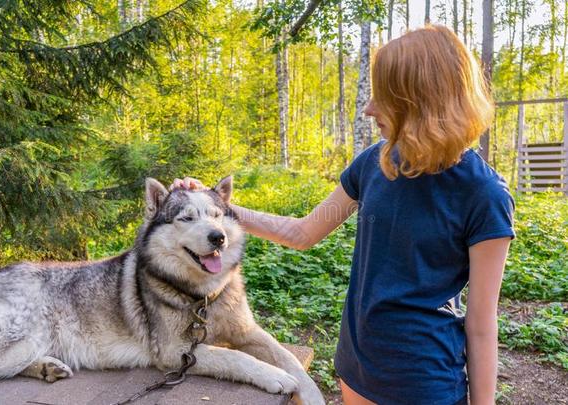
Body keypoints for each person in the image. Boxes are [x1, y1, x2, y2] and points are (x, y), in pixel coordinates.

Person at [170, 25, 515, 405]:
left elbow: (482, 325)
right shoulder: (375, 164)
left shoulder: (484, 194)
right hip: (356, 366)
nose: (369, 109)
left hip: (424, 382)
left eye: (383, 98)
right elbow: (301, 233)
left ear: (421, 101)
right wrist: (218, 208)